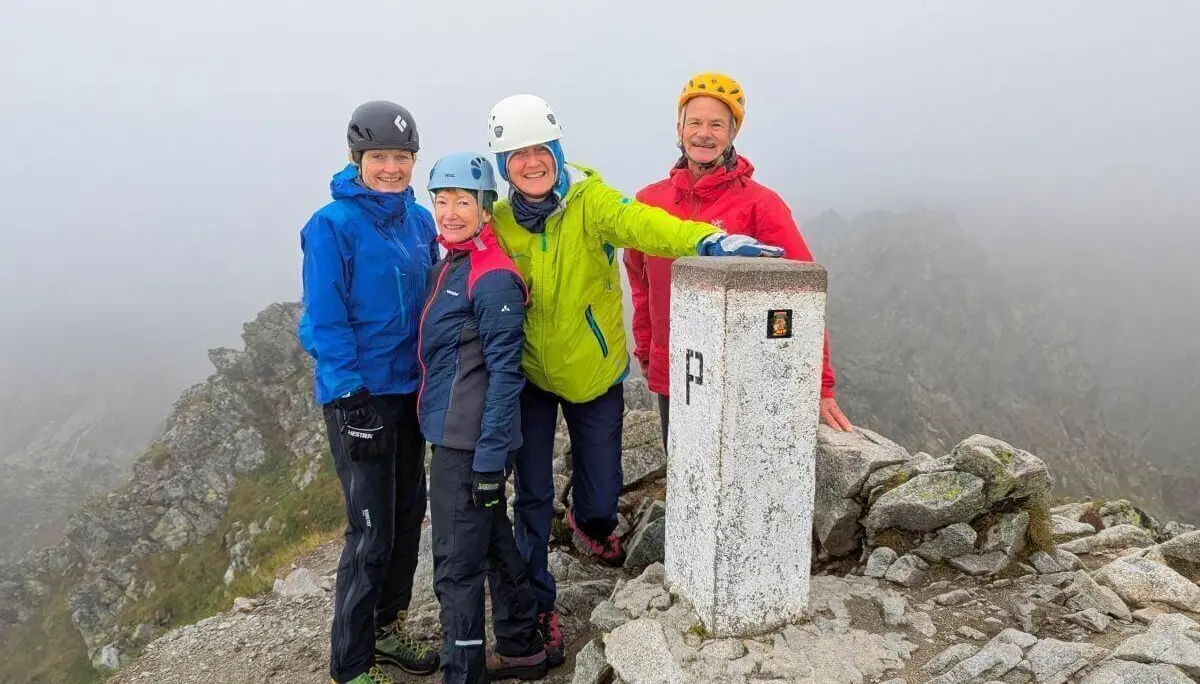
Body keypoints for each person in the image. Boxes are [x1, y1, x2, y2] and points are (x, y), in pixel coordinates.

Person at [484, 92, 784, 667]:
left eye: (541, 150)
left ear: (557, 151)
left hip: (594, 371)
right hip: (528, 375)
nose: (531, 163)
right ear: (504, 165)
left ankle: (590, 522)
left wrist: (704, 239)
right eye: (517, 154)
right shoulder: (498, 220)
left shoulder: (591, 201)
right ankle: (535, 608)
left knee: (602, 493)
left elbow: (644, 224)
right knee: (532, 496)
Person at [625, 72, 854, 450]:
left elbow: (803, 295)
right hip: (677, 371)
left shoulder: (760, 205)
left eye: (717, 125)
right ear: (679, 128)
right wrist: (648, 351)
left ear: (733, 133)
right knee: (682, 468)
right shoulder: (650, 203)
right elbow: (641, 283)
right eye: (695, 122)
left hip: (746, 376)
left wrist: (821, 384)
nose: (704, 134)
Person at [298, 100, 441, 684]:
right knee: (371, 530)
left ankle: (386, 628)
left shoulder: (421, 222)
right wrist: (351, 398)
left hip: (411, 392)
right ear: (356, 158)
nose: (391, 168)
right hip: (360, 397)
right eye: (379, 156)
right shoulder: (331, 225)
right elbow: (324, 319)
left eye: (402, 157)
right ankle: (352, 664)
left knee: (407, 518)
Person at [417, 151, 548, 683]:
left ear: (485, 209)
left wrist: (490, 460)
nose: (450, 213)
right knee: (492, 541)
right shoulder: (451, 263)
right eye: (442, 201)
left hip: (468, 445)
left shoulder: (491, 277)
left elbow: (505, 374)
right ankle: (522, 646)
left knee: (456, 568)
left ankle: (462, 672)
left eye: (462, 202)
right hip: (461, 436)